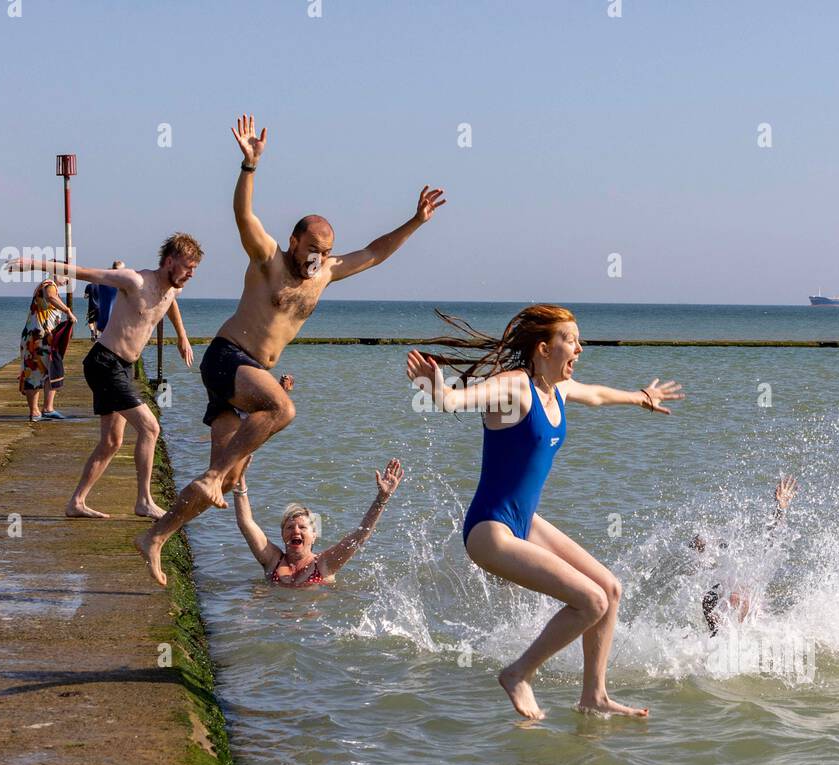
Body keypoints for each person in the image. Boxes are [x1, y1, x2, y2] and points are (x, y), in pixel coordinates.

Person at [135, 114, 446, 586]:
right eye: (311, 248)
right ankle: (214, 474)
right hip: (226, 358)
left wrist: (416, 222)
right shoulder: (269, 260)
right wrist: (249, 168)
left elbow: (377, 251)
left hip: (247, 375)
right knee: (282, 409)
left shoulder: (325, 272)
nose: (317, 258)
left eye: (325, 251)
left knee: (229, 481)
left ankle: (156, 537)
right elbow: (244, 216)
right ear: (295, 240)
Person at [406, 304, 683, 720]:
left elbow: (596, 395)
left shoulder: (558, 391)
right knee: (590, 602)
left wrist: (641, 397)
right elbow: (457, 401)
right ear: (543, 348)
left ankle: (594, 695)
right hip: (491, 530)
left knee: (609, 589)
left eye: (578, 340)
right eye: (570, 340)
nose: (580, 348)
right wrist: (438, 392)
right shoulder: (515, 386)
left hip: (524, 523)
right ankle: (518, 674)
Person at [5, 234, 198, 519]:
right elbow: (83, 272)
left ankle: (76, 503)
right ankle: (144, 501)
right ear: (169, 261)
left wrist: (182, 336)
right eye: (187, 267)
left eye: (194, 269)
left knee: (111, 442)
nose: (191, 274)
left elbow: (171, 302)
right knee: (150, 427)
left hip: (123, 367)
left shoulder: (172, 289)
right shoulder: (135, 281)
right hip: (104, 363)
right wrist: (33, 263)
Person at [232, 455, 403, 587]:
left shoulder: (324, 563)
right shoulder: (272, 560)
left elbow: (360, 536)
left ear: (314, 535)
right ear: (282, 534)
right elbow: (246, 523)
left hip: (313, 630)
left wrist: (381, 499)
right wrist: (239, 483)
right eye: (289, 527)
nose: (295, 531)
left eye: (302, 527)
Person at [695, 475, 797, 636]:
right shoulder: (718, 600)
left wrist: (781, 506)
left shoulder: (751, 590)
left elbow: (772, 539)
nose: (736, 597)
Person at [17, 276, 76, 421]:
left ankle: (42, 410)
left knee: (46, 370)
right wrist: (68, 311)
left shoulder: (46, 286)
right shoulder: (49, 285)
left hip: (39, 337)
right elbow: (50, 297)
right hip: (39, 338)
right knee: (38, 371)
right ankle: (39, 411)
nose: (68, 280)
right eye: (66, 276)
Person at [85, 260, 125, 341]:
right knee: (98, 320)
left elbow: (86, 296)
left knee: (91, 321)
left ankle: (93, 333)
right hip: (100, 305)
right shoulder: (104, 285)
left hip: (92, 305)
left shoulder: (90, 286)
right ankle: (97, 335)